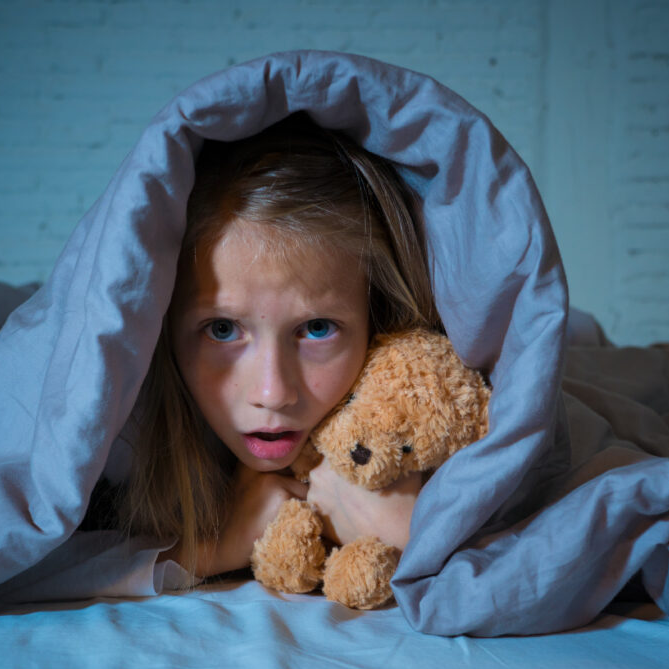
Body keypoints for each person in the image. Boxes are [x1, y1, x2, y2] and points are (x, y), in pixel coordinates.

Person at [109, 113, 443, 581]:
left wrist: (414, 534)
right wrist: (207, 550)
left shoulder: (429, 408)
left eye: (317, 328)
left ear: (377, 320)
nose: (273, 393)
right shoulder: (117, 424)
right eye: (222, 329)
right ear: (162, 323)